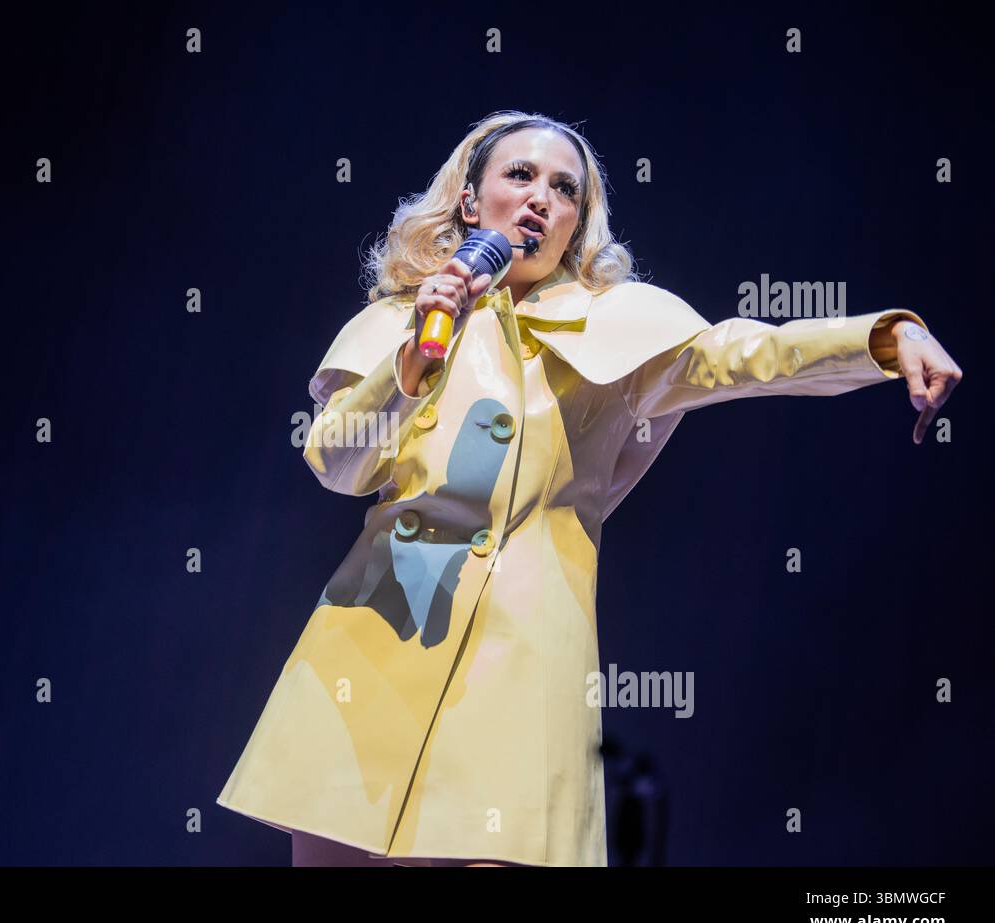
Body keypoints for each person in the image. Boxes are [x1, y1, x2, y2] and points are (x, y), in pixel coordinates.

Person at [216, 110, 962, 867]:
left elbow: (747, 353)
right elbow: (337, 465)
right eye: (520, 175)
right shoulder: (400, 322)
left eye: (564, 188)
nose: (540, 198)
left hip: (524, 659)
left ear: (577, 222)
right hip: (373, 640)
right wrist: (411, 361)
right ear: (470, 201)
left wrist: (884, 338)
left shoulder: (617, 329)